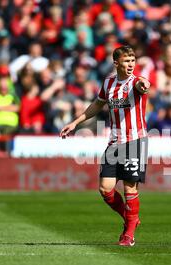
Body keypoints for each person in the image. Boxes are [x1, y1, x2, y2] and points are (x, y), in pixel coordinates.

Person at [60, 46, 150, 247]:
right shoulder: (109, 82)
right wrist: (75, 123)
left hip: (135, 141)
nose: (131, 64)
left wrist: (144, 85)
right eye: (126, 61)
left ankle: (129, 234)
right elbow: (97, 105)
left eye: (133, 60)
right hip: (114, 141)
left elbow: (144, 86)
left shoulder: (135, 82)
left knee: (129, 188)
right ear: (116, 63)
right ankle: (131, 218)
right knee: (105, 189)